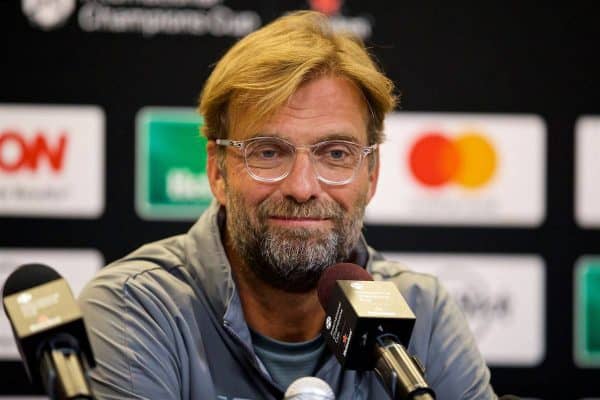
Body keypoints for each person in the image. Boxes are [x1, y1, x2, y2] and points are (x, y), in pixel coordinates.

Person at [78, 10, 496, 400]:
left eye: (335, 154)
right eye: (268, 152)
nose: (301, 187)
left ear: (372, 175)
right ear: (217, 172)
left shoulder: (422, 314)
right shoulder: (135, 308)